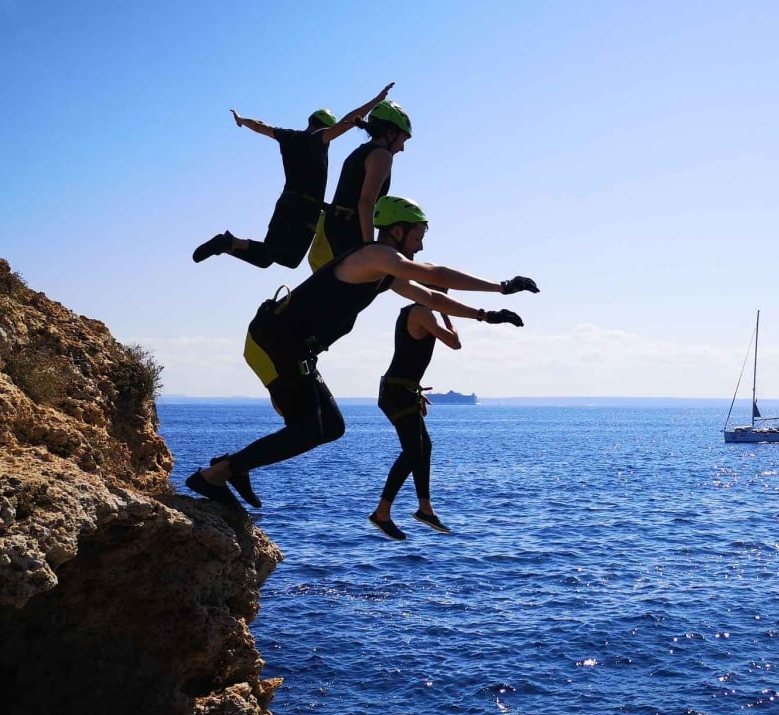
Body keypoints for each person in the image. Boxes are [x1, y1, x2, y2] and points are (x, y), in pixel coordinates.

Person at [184, 195, 539, 510]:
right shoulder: (374, 255)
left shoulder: (383, 271)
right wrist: (502, 287)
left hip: (295, 348)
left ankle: (229, 468)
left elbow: (430, 296)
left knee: (331, 426)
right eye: (418, 234)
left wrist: (486, 315)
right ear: (397, 230)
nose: (421, 243)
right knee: (309, 428)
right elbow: (436, 273)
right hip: (274, 340)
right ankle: (218, 474)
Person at [192, 82, 394, 269]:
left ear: (310, 120)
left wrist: (242, 120)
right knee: (290, 260)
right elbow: (348, 121)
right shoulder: (318, 139)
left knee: (265, 259)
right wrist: (376, 101)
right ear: (324, 127)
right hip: (304, 211)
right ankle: (231, 242)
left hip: (286, 203)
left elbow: (261, 125)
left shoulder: (289, 137)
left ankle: (227, 244)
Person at [366, 300, 462, 539]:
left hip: (404, 390)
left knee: (423, 447)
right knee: (412, 451)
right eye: (441, 292)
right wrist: (446, 312)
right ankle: (382, 513)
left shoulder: (423, 313)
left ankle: (424, 508)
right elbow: (454, 342)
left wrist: (416, 391)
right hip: (396, 392)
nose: (444, 295)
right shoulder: (420, 313)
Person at [309, 99, 411, 270]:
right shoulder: (382, 156)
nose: (402, 148)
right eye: (403, 140)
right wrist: (370, 247)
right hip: (347, 232)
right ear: (391, 132)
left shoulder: (359, 152)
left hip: (330, 227)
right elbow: (366, 202)